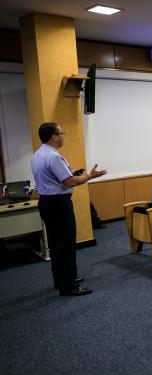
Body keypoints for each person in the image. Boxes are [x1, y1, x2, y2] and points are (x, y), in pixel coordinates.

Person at [31, 122, 107, 296]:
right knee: (66, 244)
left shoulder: (38, 154)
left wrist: (72, 172)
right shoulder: (53, 156)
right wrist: (89, 176)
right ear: (53, 137)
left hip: (47, 203)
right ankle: (69, 286)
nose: (63, 135)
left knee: (56, 244)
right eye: (61, 132)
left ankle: (62, 279)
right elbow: (70, 181)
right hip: (58, 204)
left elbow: (55, 177)